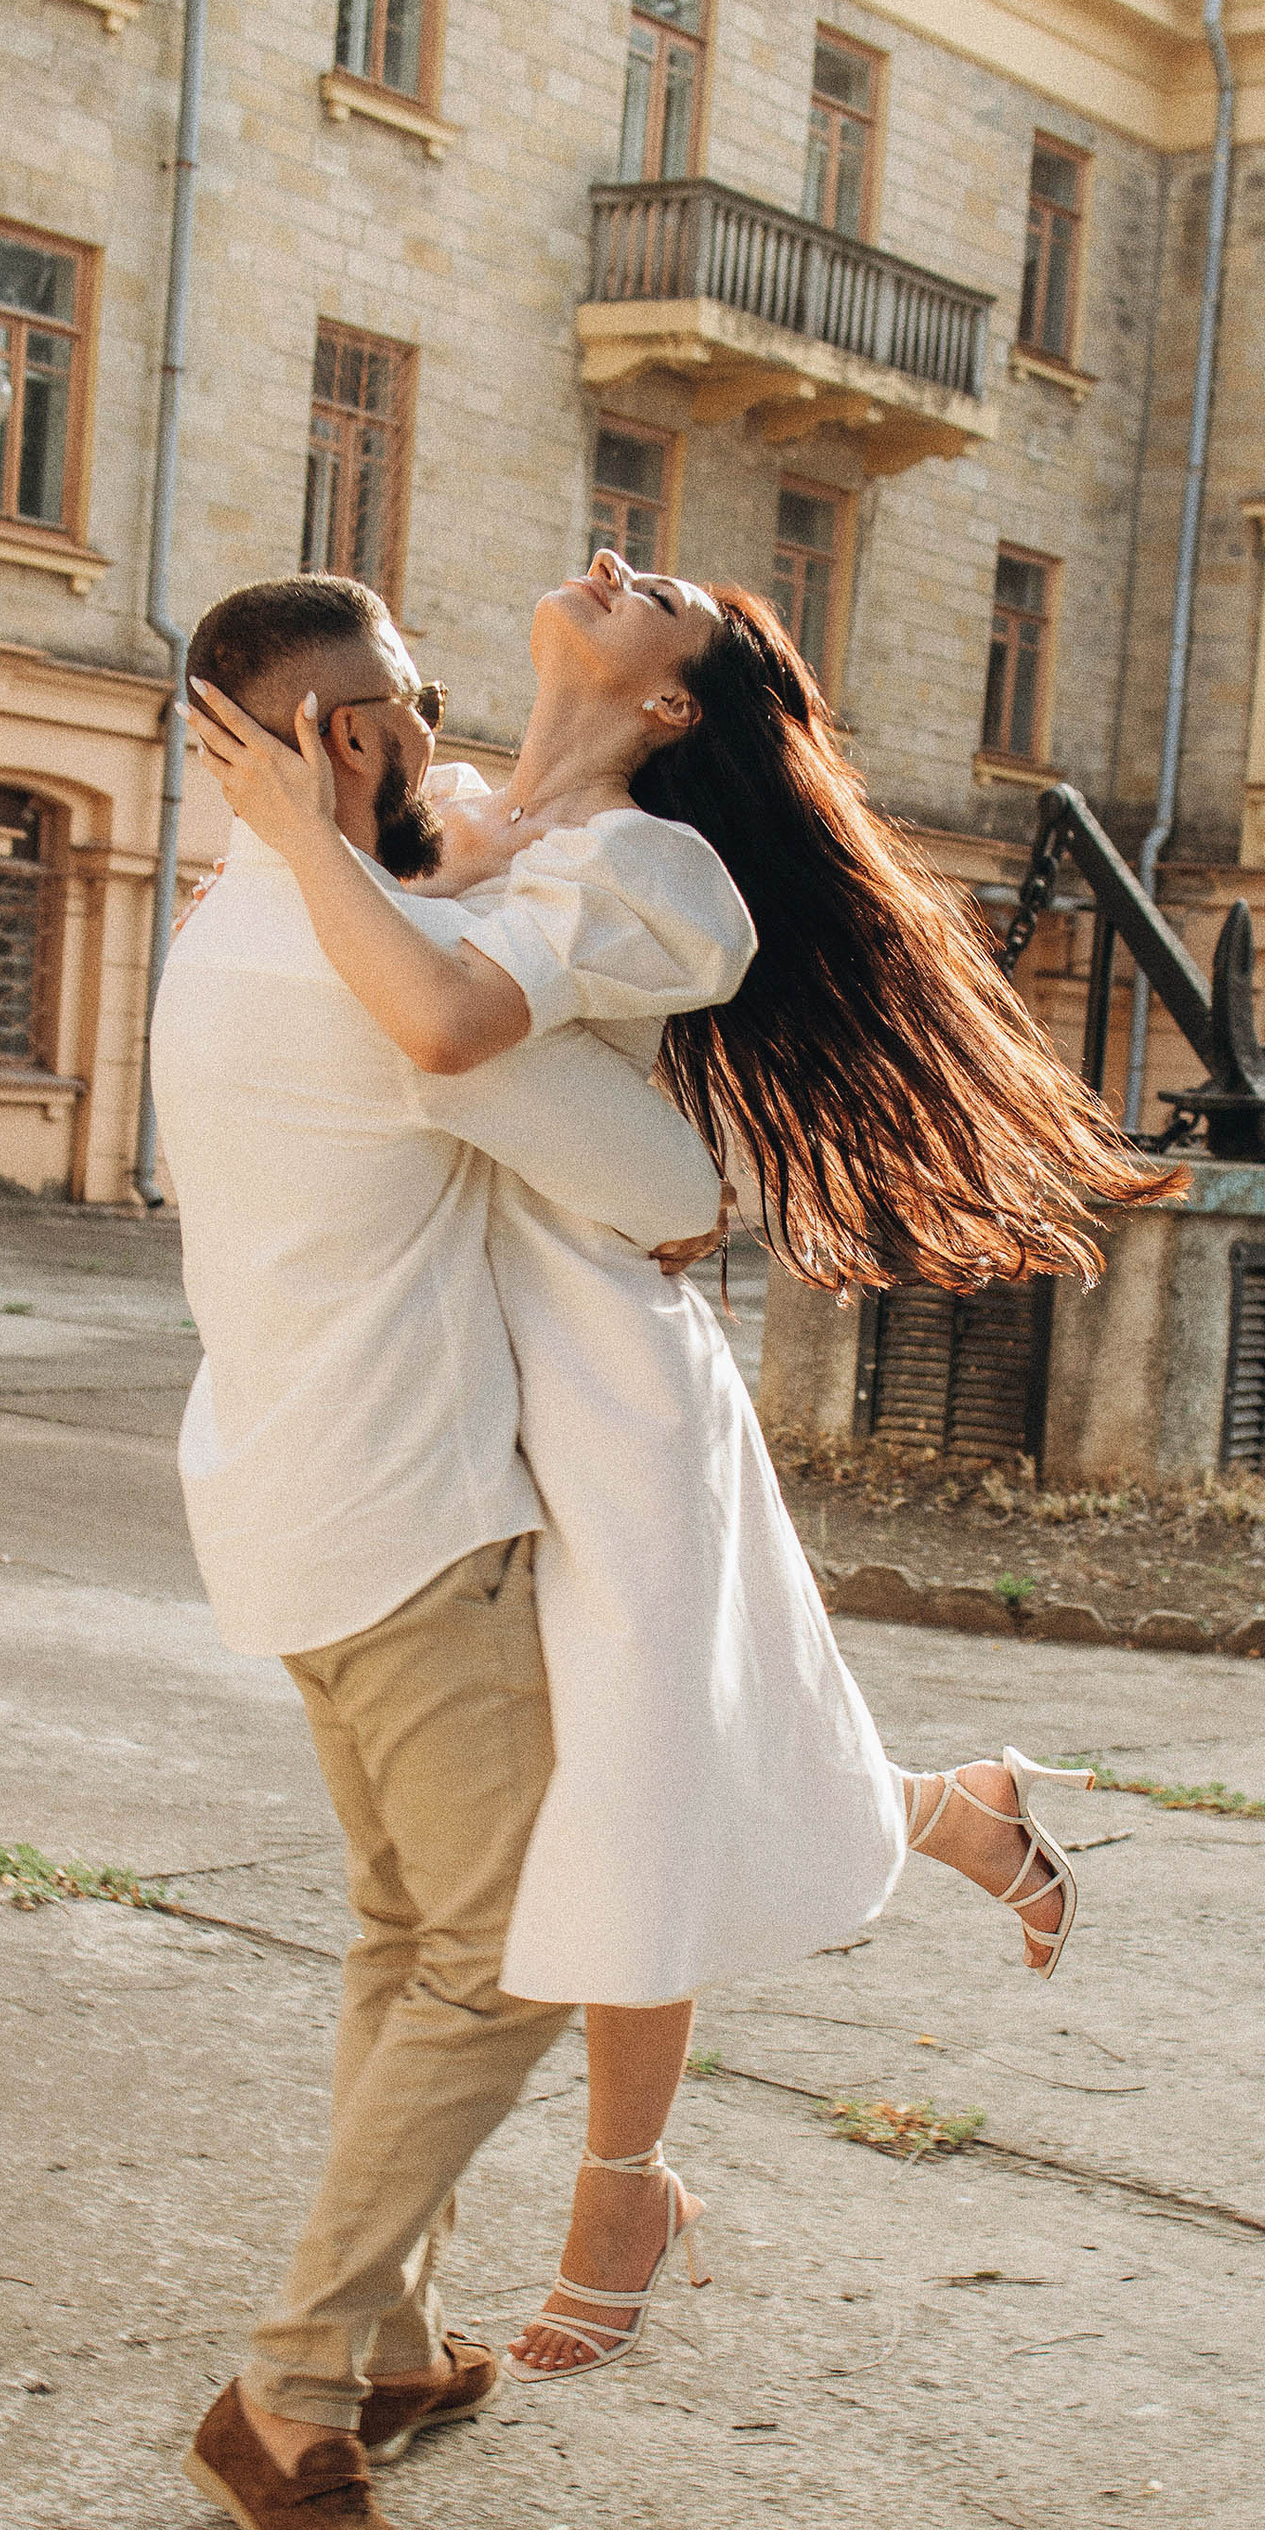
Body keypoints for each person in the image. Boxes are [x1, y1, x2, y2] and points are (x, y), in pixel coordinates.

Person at [186, 552, 1176, 2387]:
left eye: (673, 605)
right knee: (626, 1789)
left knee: (636, 1789)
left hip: (601, 1360)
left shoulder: (659, 870)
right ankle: (947, 1811)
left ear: (670, 710)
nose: (627, 562)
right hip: (473, 1349)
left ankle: (623, 2182)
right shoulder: (465, 807)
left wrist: (297, 842)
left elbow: (455, 1033)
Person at [148, 572, 729, 2530]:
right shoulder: (379, 976)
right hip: (412, 1529)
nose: (436, 730)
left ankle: (384, 2346)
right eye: (402, 703)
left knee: (408, 1938)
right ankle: (288, 2398)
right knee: (498, 1957)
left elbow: (467, 872)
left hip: (291, 1511)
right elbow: (676, 1197)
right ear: (332, 745)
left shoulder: (232, 932)